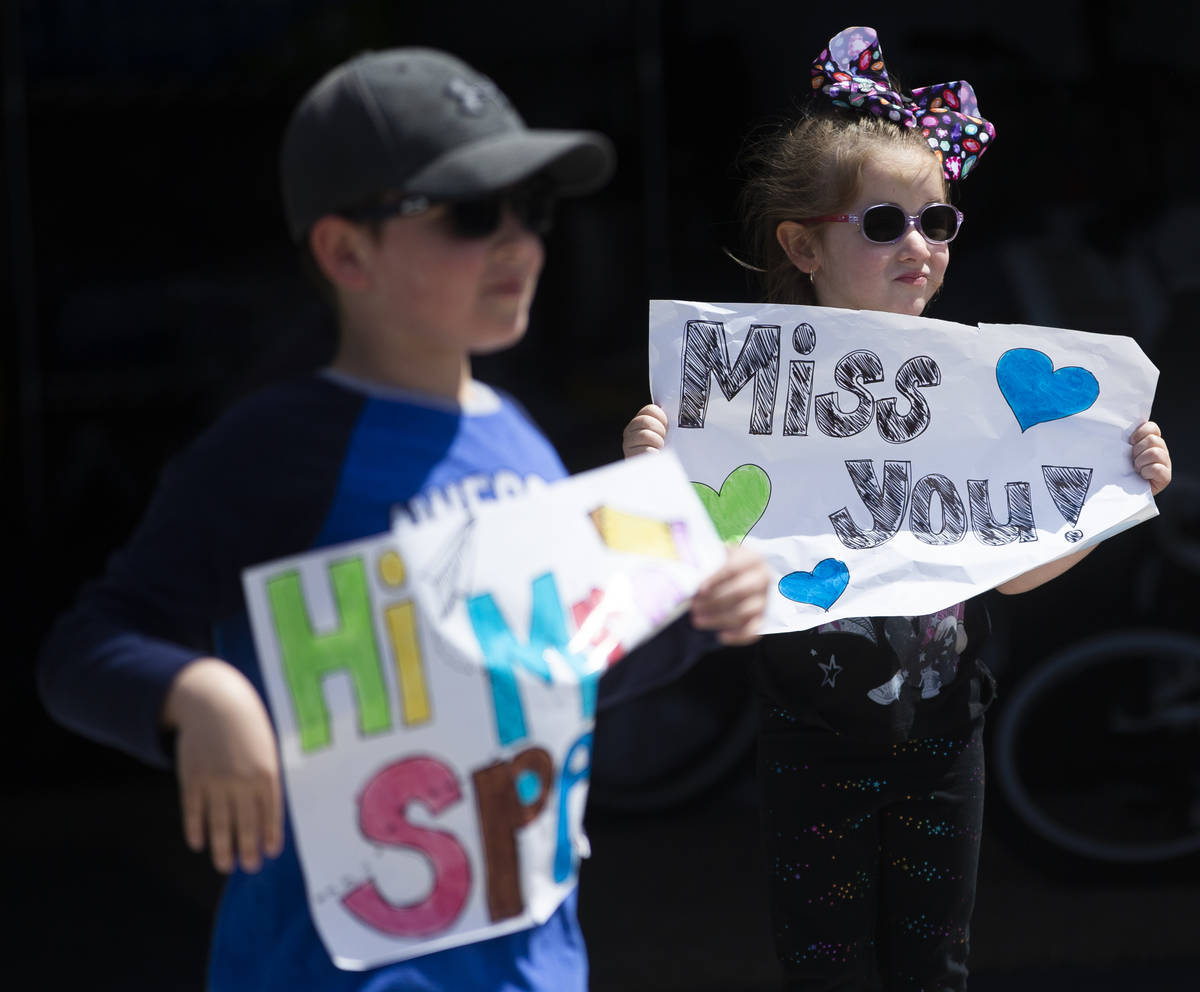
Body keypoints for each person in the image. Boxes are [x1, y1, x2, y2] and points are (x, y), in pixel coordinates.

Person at [37, 47, 769, 992]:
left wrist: (703, 611)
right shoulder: (274, 449)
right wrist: (195, 698)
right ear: (346, 252)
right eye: (471, 213)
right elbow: (84, 648)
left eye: (531, 211)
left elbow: (545, 676)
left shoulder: (519, 443)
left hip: (530, 968)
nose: (518, 243)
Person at [622, 25, 1172, 992]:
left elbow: (1007, 561)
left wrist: (1117, 494)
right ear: (803, 245)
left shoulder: (981, 396)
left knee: (935, 971)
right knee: (827, 973)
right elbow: (696, 573)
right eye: (885, 224)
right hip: (810, 747)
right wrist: (654, 485)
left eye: (939, 223)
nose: (919, 246)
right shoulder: (748, 400)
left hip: (947, 741)